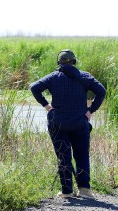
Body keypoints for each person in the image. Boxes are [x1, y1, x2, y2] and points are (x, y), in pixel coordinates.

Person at [30, 49, 106, 199]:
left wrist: (47, 106)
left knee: (63, 156)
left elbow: (34, 88)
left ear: (59, 63)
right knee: (82, 155)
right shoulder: (85, 77)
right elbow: (101, 91)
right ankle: (84, 190)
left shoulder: (53, 77)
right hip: (80, 123)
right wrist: (90, 111)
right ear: (74, 62)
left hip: (58, 124)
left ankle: (67, 191)